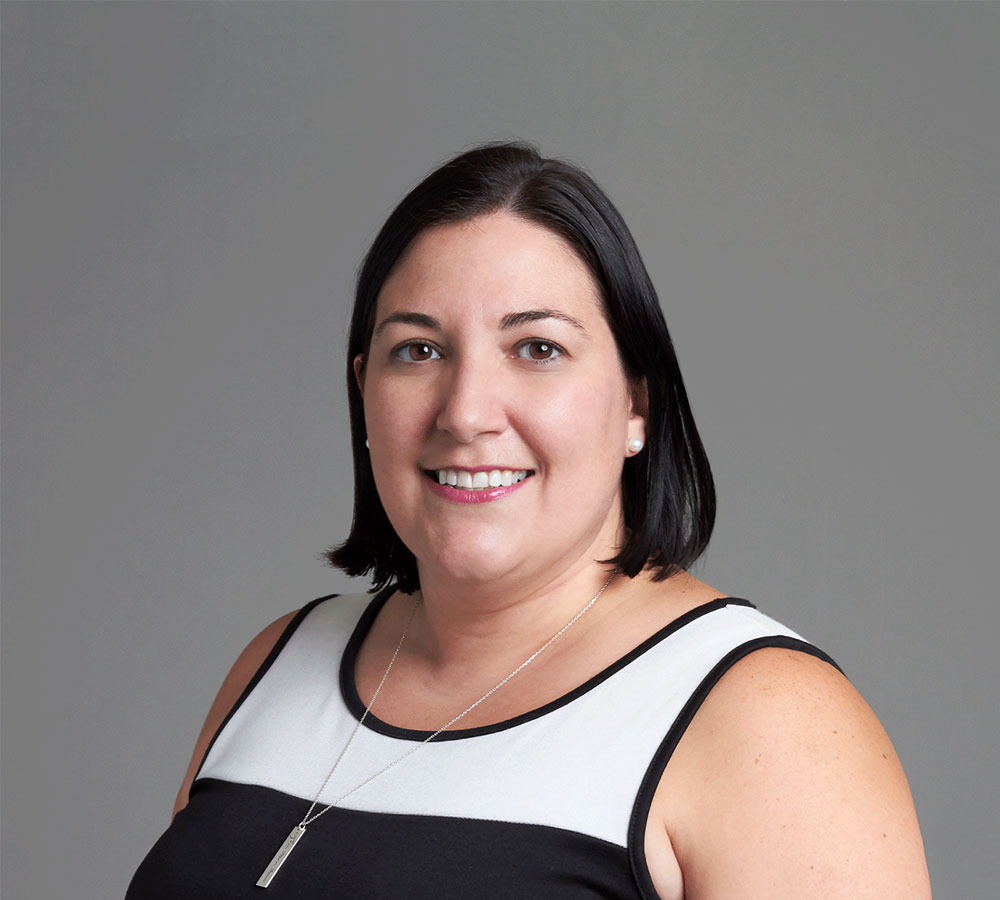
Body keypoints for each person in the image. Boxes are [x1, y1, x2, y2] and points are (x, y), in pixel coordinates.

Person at [126, 143, 931, 899]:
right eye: (419, 350)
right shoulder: (278, 664)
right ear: (363, 391)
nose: (466, 412)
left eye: (537, 348)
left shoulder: (766, 720)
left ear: (637, 404)